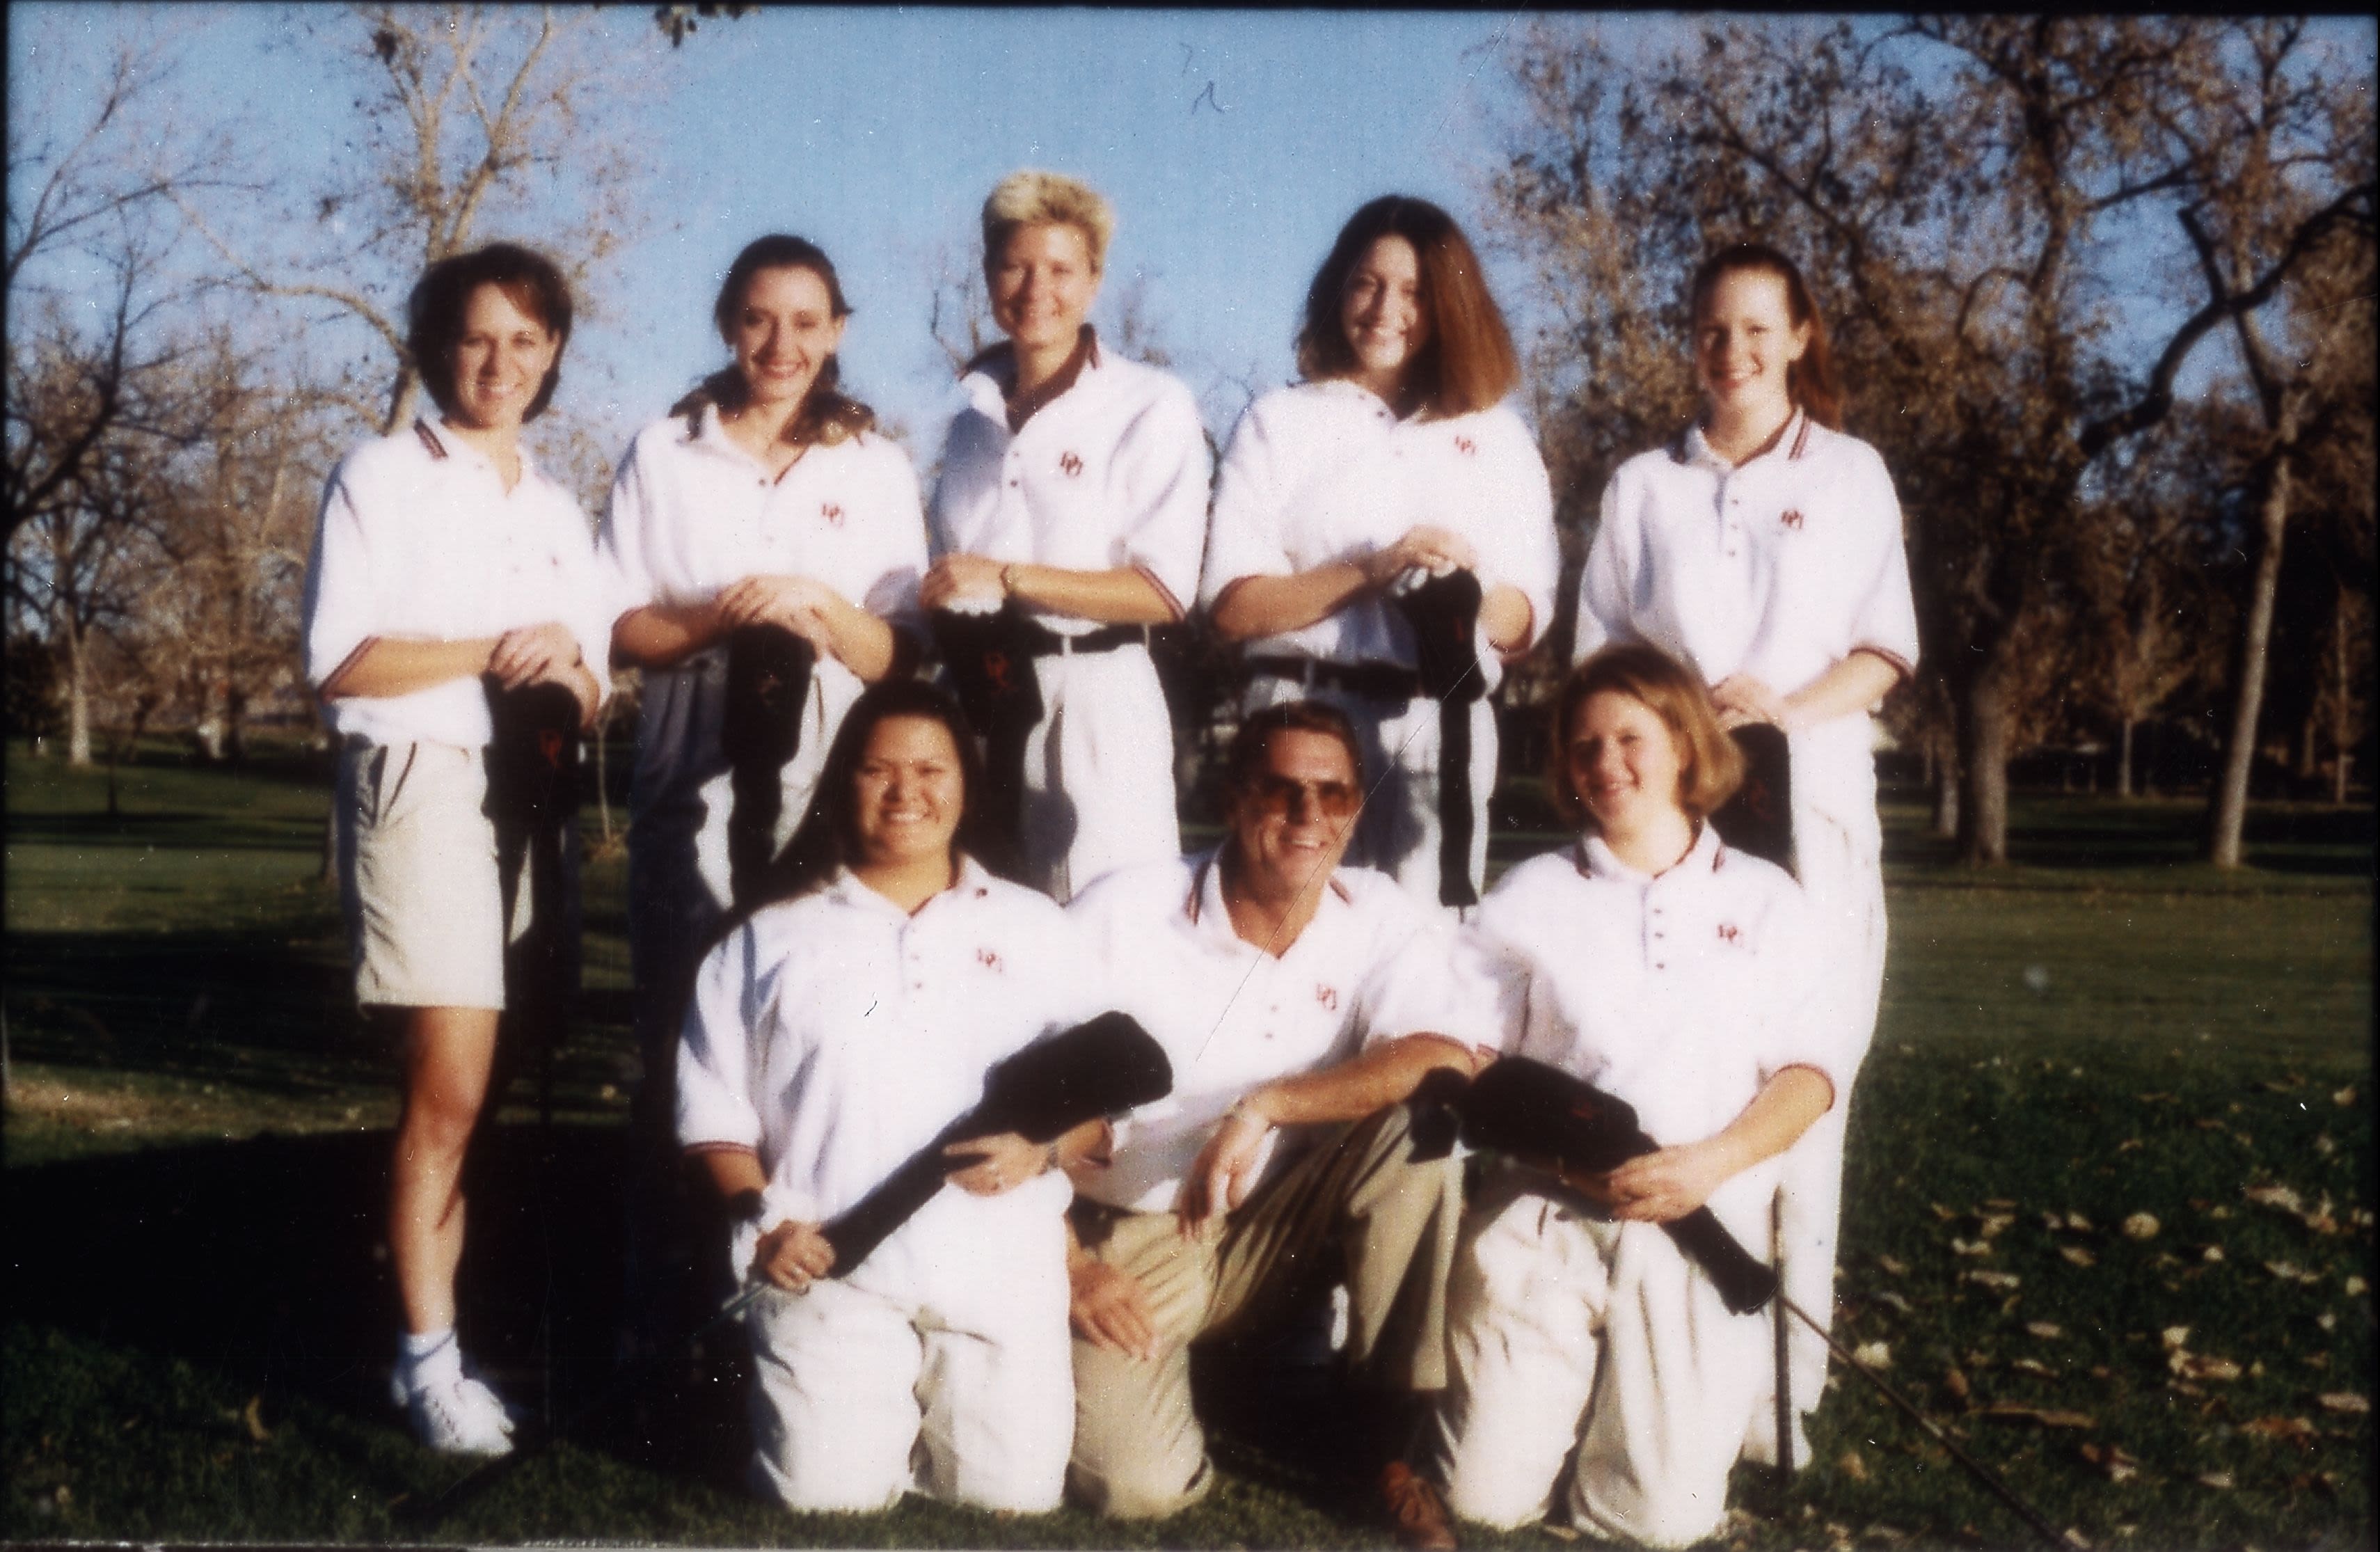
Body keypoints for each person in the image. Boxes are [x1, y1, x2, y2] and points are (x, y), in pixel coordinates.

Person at [1571, 241, 1919, 1458]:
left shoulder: (1854, 476)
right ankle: (1649, 1371)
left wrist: (1783, 709)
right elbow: (1599, 663)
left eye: (1758, 330)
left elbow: (1881, 649)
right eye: (1714, 330)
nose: (1734, 353)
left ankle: (1786, 1398)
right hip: (1675, 817)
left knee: (1802, 1088)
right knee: (1674, 1074)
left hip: (1810, 807)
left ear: (1802, 335)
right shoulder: (1640, 487)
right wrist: (1679, 723)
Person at [1431, 646, 1850, 1546]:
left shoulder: (1768, 898)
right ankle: (1549, 1406)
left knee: (1656, 1525)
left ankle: (1634, 1427)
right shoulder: (1528, 895)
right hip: (1546, 1216)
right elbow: (1468, 1067)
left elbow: (1810, 1076)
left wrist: (1714, 1161)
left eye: (1631, 737)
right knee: (1481, 1502)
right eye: (1584, 746)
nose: (1606, 763)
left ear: (1686, 745)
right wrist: (1558, 1157)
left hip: (1704, 1219)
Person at [300, 243, 611, 1455]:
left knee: (503, 1077)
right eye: (479, 338)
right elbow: (341, 662)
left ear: (552, 358)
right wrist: (489, 648)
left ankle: (467, 1334)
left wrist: (567, 675)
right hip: (421, 785)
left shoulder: (554, 503)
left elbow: (591, 682)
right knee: (450, 1087)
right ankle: (425, 1363)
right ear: (439, 346)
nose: (501, 364)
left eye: (527, 343)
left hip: (528, 800)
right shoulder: (378, 472)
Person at [1063, 700, 1492, 1547]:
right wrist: (1072, 1267)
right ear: (1233, 797)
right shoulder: (1122, 911)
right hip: (1137, 1232)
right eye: (1282, 791)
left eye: (1332, 796)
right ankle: (1235, 1385)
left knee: (1421, 1125)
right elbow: (1011, 1108)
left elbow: (1446, 1055)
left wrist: (1268, 1104)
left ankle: (1384, 1445)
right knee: (1134, 1486)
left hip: (1277, 1226)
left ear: (1356, 811)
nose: (1308, 817)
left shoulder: (1375, 910)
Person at [676, 681, 1109, 1513]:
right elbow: (714, 1116)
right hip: (832, 1265)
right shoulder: (768, 936)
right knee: (826, 1498)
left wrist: (1043, 1148)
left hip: (1002, 1270)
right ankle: (808, 1395)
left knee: (1010, 1500)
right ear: (844, 783)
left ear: (967, 784)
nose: (905, 791)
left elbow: (1101, 1113)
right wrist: (765, 1221)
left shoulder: (1037, 927)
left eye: (929, 769)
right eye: (878, 770)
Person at [600, 233, 928, 1166]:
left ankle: (799, 1259)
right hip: (692, 733)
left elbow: (897, 655)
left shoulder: (874, 463)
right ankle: (664, 1286)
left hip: (827, 746)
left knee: (814, 1010)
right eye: (757, 319)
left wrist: (818, 605)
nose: (781, 344)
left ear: (837, 333)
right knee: (682, 1007)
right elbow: (623, 624)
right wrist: (722, 616)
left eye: (805, 322)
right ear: (726, 325)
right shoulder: (664, 450)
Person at [1203, 195, 1557, 910]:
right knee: (1290, 939)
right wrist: (1373, 570)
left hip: (1435, 727)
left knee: (1427, 959)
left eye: (1415, 291)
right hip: (1300, 714)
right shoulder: (1280, 419)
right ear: (1338, 287)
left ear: (1450, 304)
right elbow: (1235, 606)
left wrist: (1461, 589)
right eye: (1367, 283)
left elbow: (1523, 619)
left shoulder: (1498, 435)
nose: (1385, 307)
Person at [924, 168, 1210, 903]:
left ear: (1093, 281)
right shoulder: (966, 424)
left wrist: (1012, 578)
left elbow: (1164, 590)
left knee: (1107, 924)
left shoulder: (1152, 404)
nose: (1034, 289)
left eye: (1060, 269)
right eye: (1015, 266)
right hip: (983, 699)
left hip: (1099, 697)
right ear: (988, 275)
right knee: (984, 920)